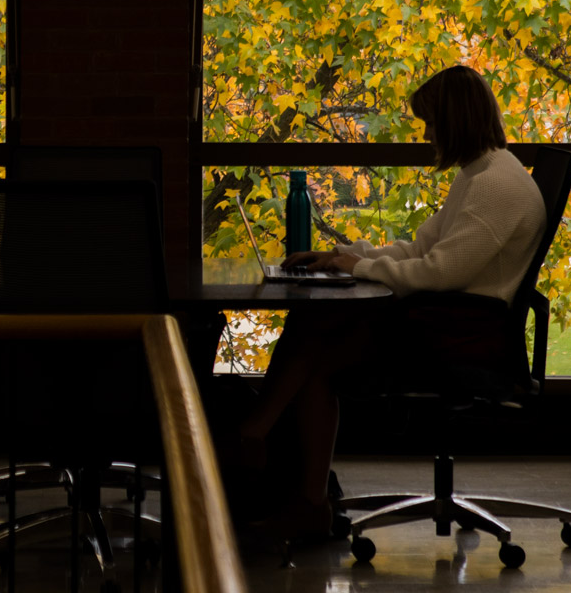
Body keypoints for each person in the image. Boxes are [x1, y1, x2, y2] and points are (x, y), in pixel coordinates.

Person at [235, 65, 548, 541]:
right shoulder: (481, 173)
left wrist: (355, 268)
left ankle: (260, 444)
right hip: (447, 323)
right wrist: (347, 256)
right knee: (317, 332)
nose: (426, 134)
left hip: (458, 336)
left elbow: (440, 272)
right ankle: (276, 462)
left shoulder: (494, 185)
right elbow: (422, 249)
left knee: (319, 336)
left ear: (454, 120)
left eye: (430, 122)